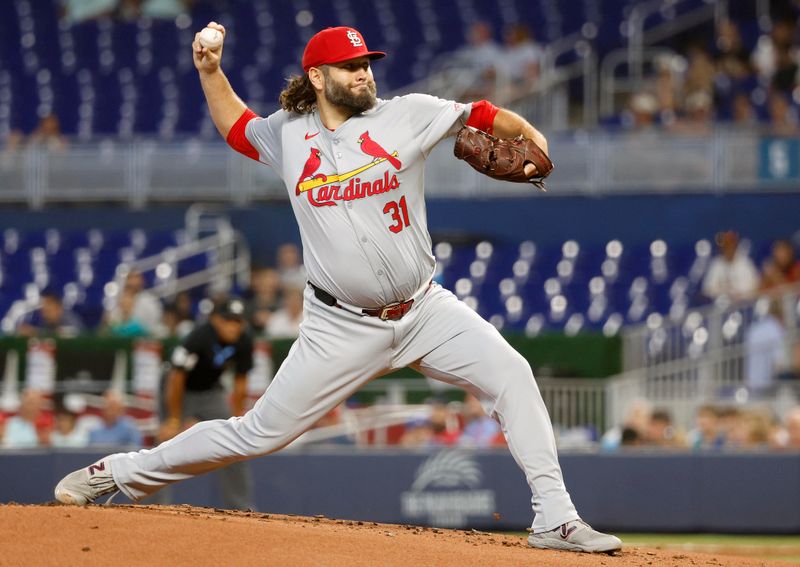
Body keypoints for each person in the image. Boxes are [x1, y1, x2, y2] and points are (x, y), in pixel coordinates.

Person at [55, 24, 620, 553]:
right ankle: (118, 473)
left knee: (513, 375)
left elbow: (485, 114)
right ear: (318, 78)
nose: (364, 74)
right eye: (350, 67)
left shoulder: (410, 114)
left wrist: (530, 136)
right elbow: (237, 127)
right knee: (258, 433)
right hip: (340, 324)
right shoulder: (288, 134)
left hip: (425, 309)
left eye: (367, 64)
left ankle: (555, 516)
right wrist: (210, 72)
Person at [156, 297, 255, 510]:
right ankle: (155, 505)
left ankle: (242, 507)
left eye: (238, 321)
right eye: (229, 320)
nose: (234, 326)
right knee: (166, 443)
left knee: (234, 443)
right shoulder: (198, 338)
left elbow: (240, 382)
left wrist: (237, 416)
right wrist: (174, 418)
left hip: (211, 392)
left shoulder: (244, 340)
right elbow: (176, 378)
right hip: (179, 391)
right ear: (216, 320)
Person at [701, 230, 759, 301]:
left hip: (742, 304)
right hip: (721, 304)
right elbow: (707, 289)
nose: (729, 248)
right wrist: (724, 292)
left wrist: (738, 294)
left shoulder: (745, 263)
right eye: (726, 245)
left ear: (736, 245)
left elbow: (754, 287)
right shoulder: (716, 264)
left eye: (731, 244)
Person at [16, 288, 84, 337]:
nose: (44, 308)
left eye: (48, 304)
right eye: (43, 304)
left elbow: (74, 334)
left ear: (59, 307)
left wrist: (35, 332)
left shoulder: (69, 318)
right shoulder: (44, 321)